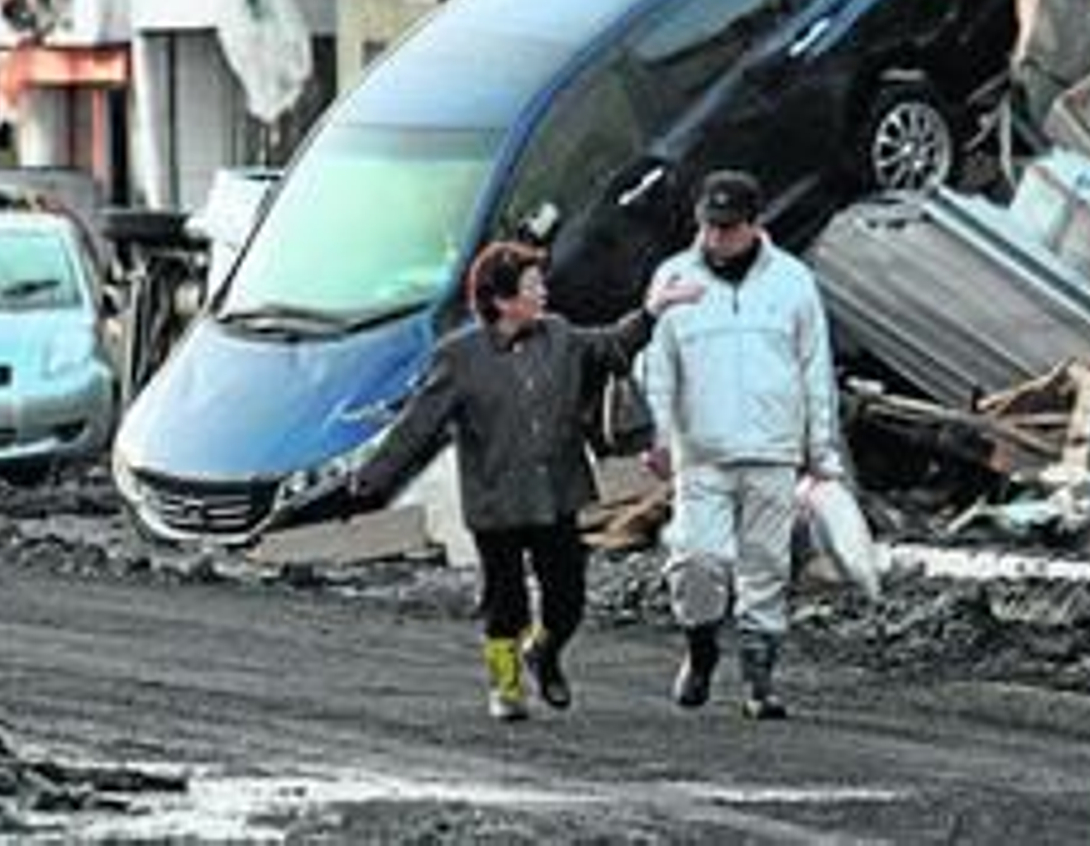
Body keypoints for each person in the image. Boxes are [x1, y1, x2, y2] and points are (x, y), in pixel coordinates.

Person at [350, 241, 701, 721]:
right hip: (496, 502)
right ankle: (506, 684)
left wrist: (652, 311)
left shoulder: (559, 335)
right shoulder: (459, 357)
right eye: (532, 286)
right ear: (501, 299)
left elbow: (612, 344)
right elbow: (418, 424)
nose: (543, 293)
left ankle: (544, 650)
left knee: (568, 600)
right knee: (505, 601)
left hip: (557, 494)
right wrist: (372, 478)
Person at [639, 169, 844, 720]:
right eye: (708, 225)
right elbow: (658, 367)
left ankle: (759, 678)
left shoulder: (793, 283)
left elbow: (815, 369)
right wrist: (658, 435)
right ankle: (701, 647)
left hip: (773, 448)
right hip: (701, 452)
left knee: (765, 566)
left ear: (755, 224)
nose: (715, 238)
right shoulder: (674, 278)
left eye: (727, 228)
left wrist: (821, 451)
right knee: (697, 560)